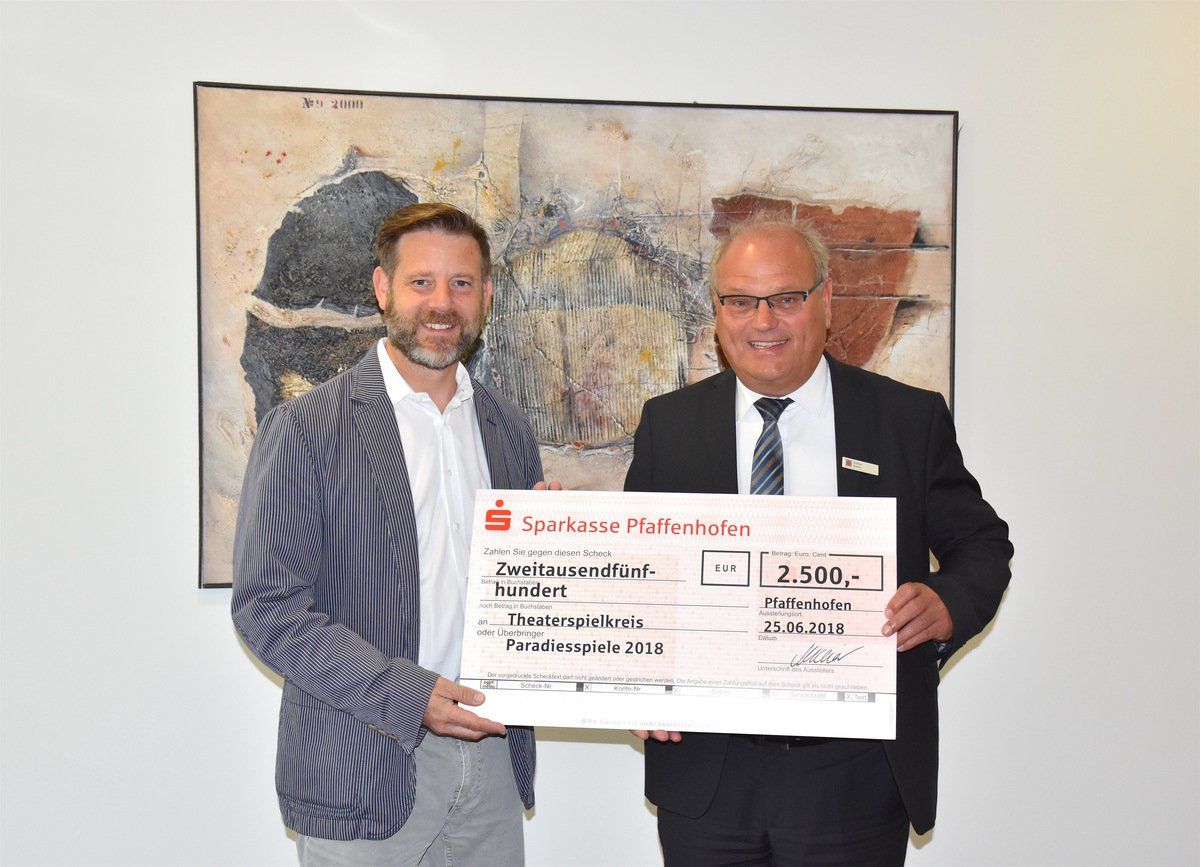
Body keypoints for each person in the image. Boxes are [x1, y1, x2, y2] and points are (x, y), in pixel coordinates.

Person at [624, 218, 1012, 865]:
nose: (763, 321)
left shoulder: (906, 419)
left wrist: (946, 603)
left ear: (826, 300)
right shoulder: (670, 425)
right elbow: (638, 579)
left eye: (785, 297)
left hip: (853, 775)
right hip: (707, 772)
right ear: (718, 311)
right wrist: (631, 675)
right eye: (740, 300)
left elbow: (982, 544)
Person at [232, 203, 548, 866]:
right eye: (421, 282)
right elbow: (268, 609)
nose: (442, 303)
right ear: (382, 288)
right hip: (361, 760)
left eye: (461, 283)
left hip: (493, 762)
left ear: (486, 295)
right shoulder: (305, 430)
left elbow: (523, 599)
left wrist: (562, 554)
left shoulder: (509, 431)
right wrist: (407, 695)